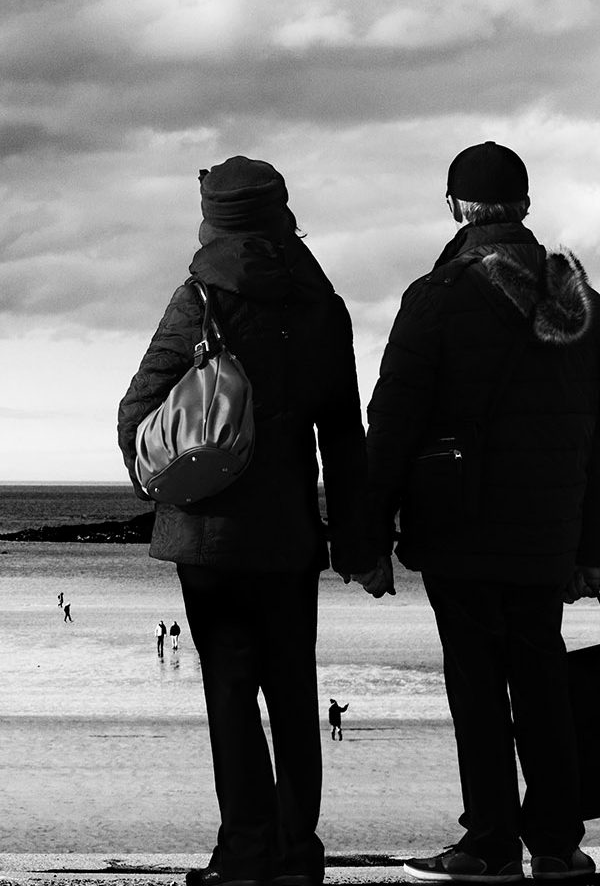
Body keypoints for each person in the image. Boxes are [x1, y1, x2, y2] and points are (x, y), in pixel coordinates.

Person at [337, 142, 600, 886]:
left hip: (459, 524)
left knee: (478, 685)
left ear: (455, 206)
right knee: (543, 677)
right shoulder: (584, 304)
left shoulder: (437, 297)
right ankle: (558, 844)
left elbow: (391, 423)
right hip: (549, 531)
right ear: (525, 206)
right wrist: (590, 548)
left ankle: (490, 843)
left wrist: (364, 539)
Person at [118, 156, 367, 886]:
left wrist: (158, 480)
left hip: (210, 531)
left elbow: (139, 408)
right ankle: (296, 856)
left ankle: (244, 854)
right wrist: (356, 542)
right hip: (290, 534)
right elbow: (344, 437)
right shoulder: (324, 304)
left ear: (214, 218)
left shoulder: (199, 297)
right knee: (292, 689)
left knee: (229, 688)